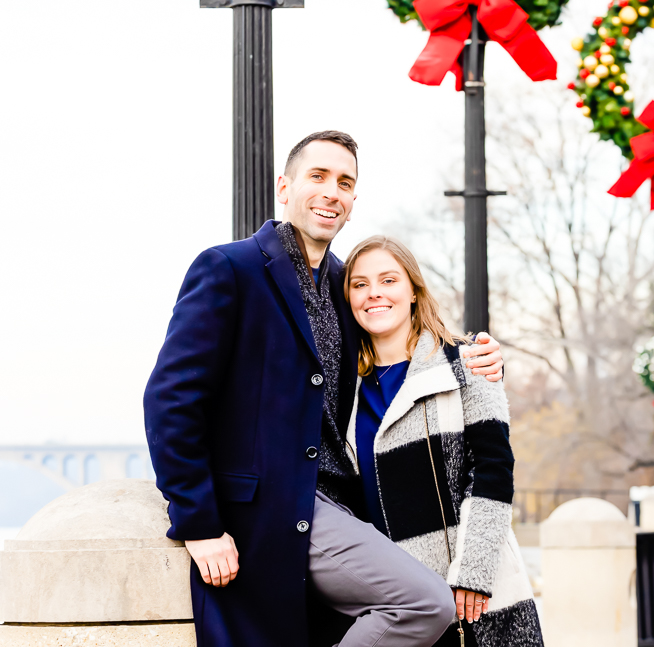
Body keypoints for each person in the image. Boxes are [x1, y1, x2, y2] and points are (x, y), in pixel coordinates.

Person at [144, 131, 505, 647]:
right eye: (318, 176)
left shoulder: (344, 284)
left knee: (421, 607)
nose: (331, 192)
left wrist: (471, 355)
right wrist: (199, 523)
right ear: (284, 186)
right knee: (423, 603)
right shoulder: (229, 269)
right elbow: (170, 400)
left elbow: (401, 339)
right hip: (267, 511)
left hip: (346, 508)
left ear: (353, 203)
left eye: (345, 183)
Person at [341, 235, 543, 647]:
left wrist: (474, 573)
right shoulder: (345, 391)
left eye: (388, 280)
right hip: (395, 604)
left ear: (413, 291)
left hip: (473, 595)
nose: (374, 293)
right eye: (359, 284)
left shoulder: (466, 362)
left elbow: (493, 471)